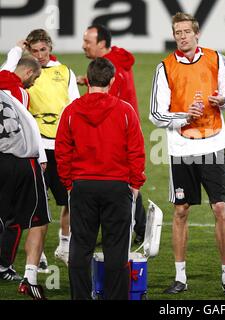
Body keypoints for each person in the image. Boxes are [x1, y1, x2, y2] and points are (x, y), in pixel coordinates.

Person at [149, 12, 225, 296]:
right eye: (177, 32)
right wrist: (182, 116)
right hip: (181, 147)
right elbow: (156, 114)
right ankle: (180, 277)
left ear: (197, 33)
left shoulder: (216, 58)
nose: (182, 36)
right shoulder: (164, 67)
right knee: (180, 210)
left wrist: (223, 100)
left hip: (213, 144)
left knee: (220, 209)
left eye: (186, 31)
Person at [55, 57, 146, 300]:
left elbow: (62, 150)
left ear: (87, 80)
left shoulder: (71, 110)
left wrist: (69, 183)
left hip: (83, 186)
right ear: (113, 80)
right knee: (116, 249)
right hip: (117, 187)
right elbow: (136, 150)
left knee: (80, 248)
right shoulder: (125, 110)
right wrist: (135, 184)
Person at [2, 29, 80, 269]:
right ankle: (36, 258)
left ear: (50, 48)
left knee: (68, 197)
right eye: (34, 51)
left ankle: (64, 245)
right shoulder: (19, 84)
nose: (39, 55)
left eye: (43, 50)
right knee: (35, 206)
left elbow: (75, 106)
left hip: (59, 145)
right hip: (32, 149)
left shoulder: (64, 72)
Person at [79, 24, 146, 245]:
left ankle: (123, 230)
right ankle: (140, 227)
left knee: (118, 178)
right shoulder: (115, 62)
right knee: (124, 177)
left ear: (102, 44)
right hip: (125, 129)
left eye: (88, 42)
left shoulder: (114, 68)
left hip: (117, 132)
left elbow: (108, 104)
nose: (83, 46)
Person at [0, 56, 49, 300]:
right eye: (35, 77)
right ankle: (29, 278)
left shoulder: (4, 83)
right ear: (28, 72)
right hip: (22, 160)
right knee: (36, 219)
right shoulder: (16, 93)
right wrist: (40, 155)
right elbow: (26, 125)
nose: (33, 83)